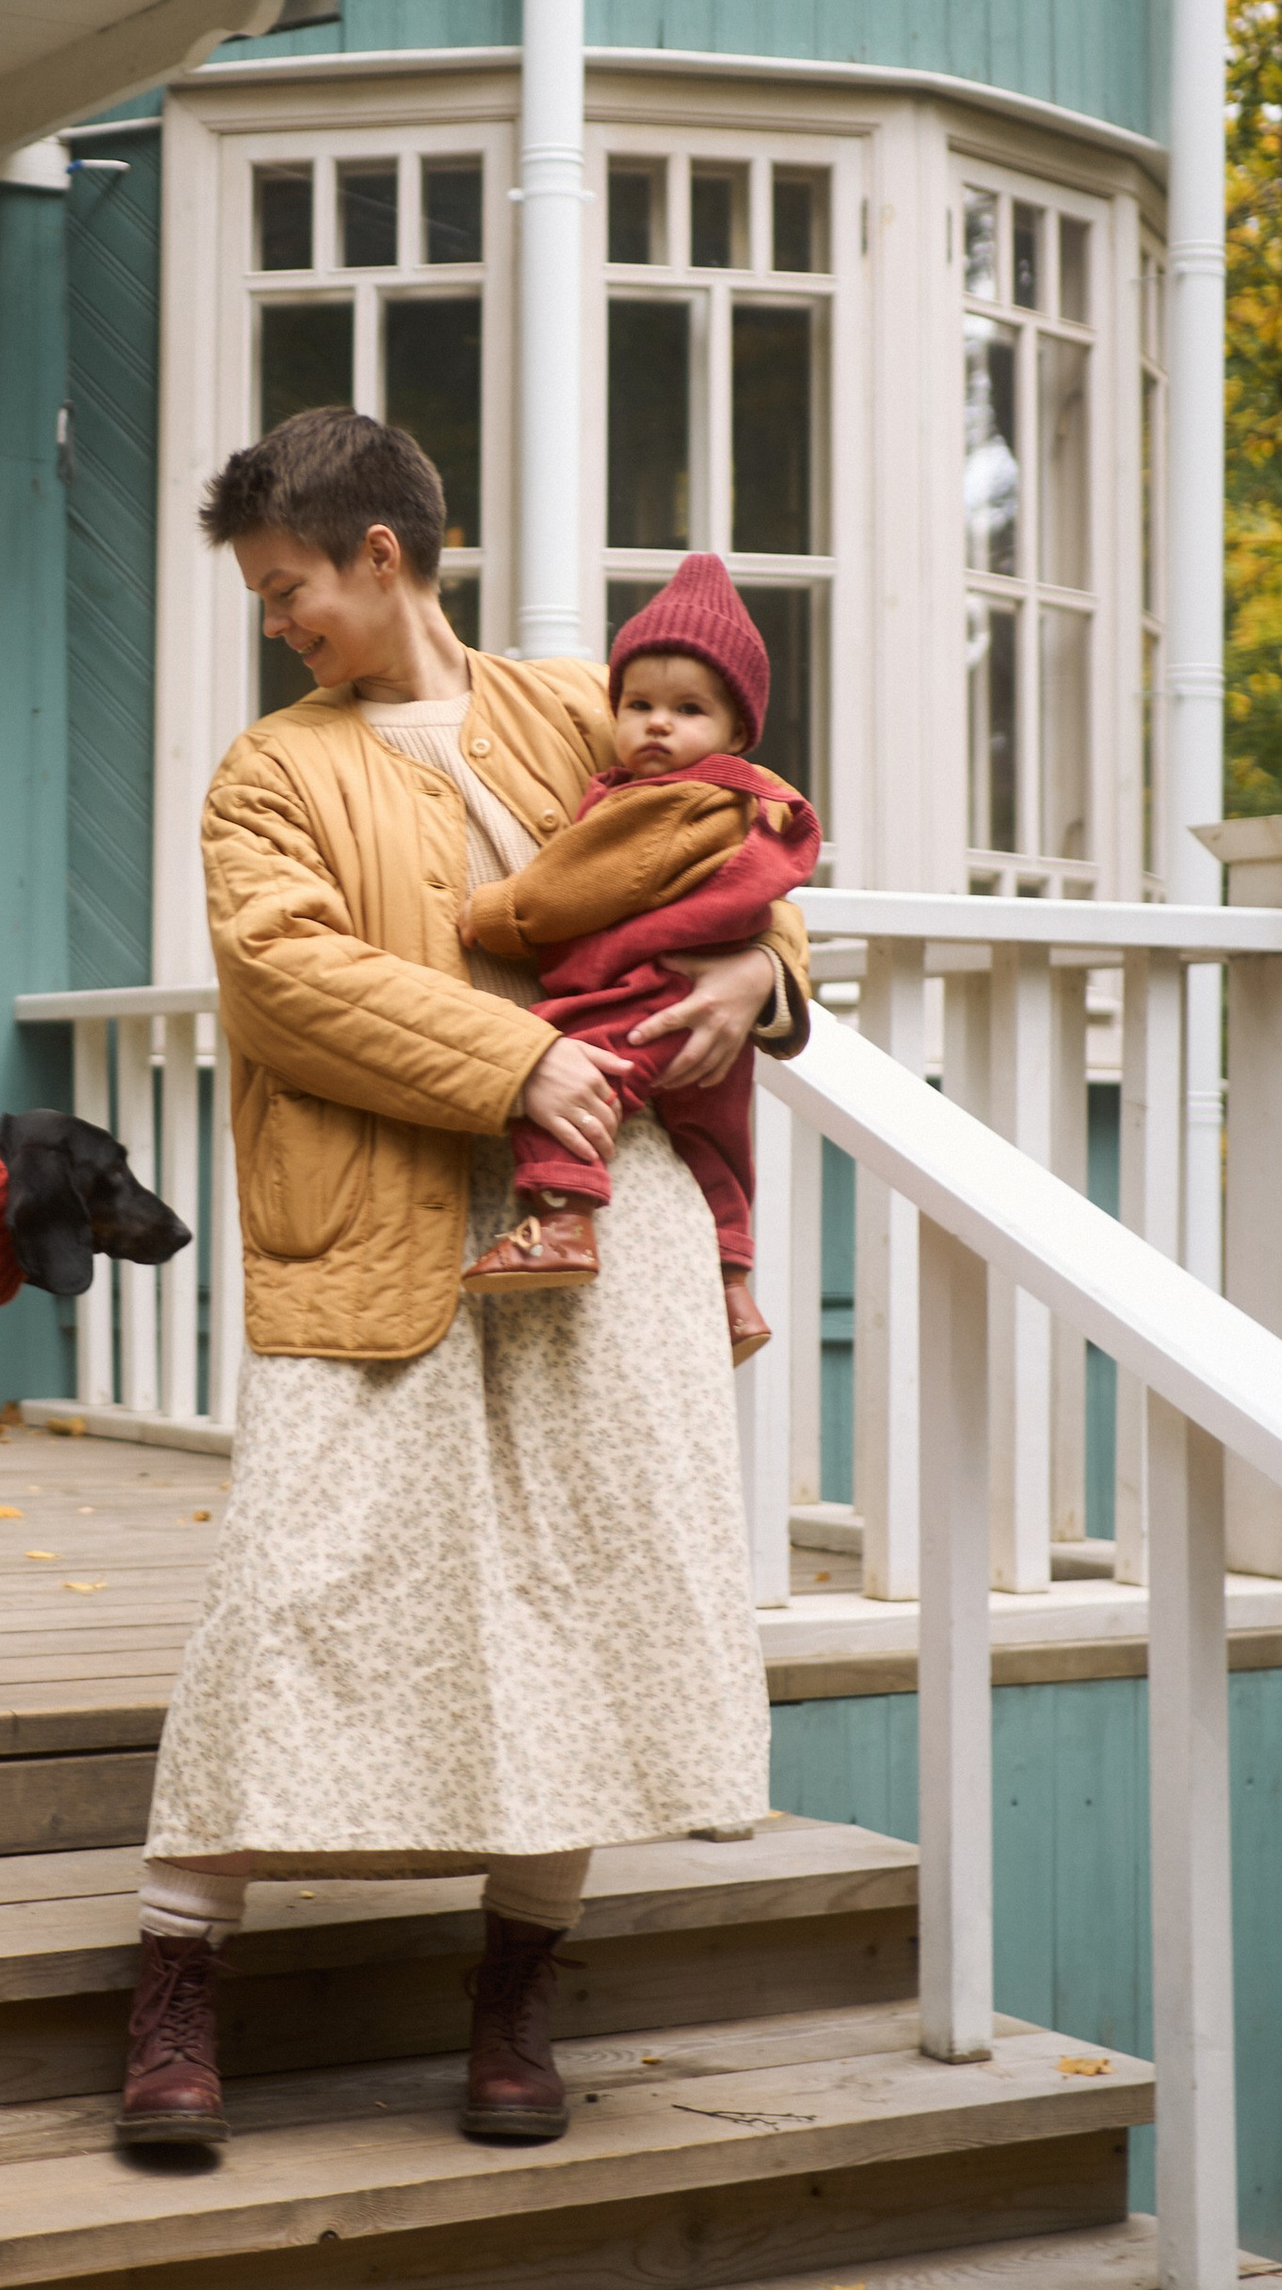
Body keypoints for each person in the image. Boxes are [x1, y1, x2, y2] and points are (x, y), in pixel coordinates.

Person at [119, 410, 810, 2156]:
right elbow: (281, 982)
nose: (278, 625)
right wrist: (509, 1067)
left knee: (582, 1590)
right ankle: (176, 1990)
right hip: (371, 1214)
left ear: (381, 557)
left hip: (611, 1227)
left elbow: (743, 825)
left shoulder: (583, 705)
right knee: (293, 1585)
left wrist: (764, 979)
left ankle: (517, 2003)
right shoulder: (271, 770)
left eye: (290, 590)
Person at [458, 553, 820, 1363]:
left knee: (559, 1062)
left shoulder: (670, 803)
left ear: (735, 730)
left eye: (688, 709)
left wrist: (498, 913)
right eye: (638, 703)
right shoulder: (754, 805)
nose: (657, 724)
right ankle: (731, 1287)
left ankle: (560, 1222)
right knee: (714, 1142)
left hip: (647, 993)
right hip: (715, 1022)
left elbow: (581, 882)